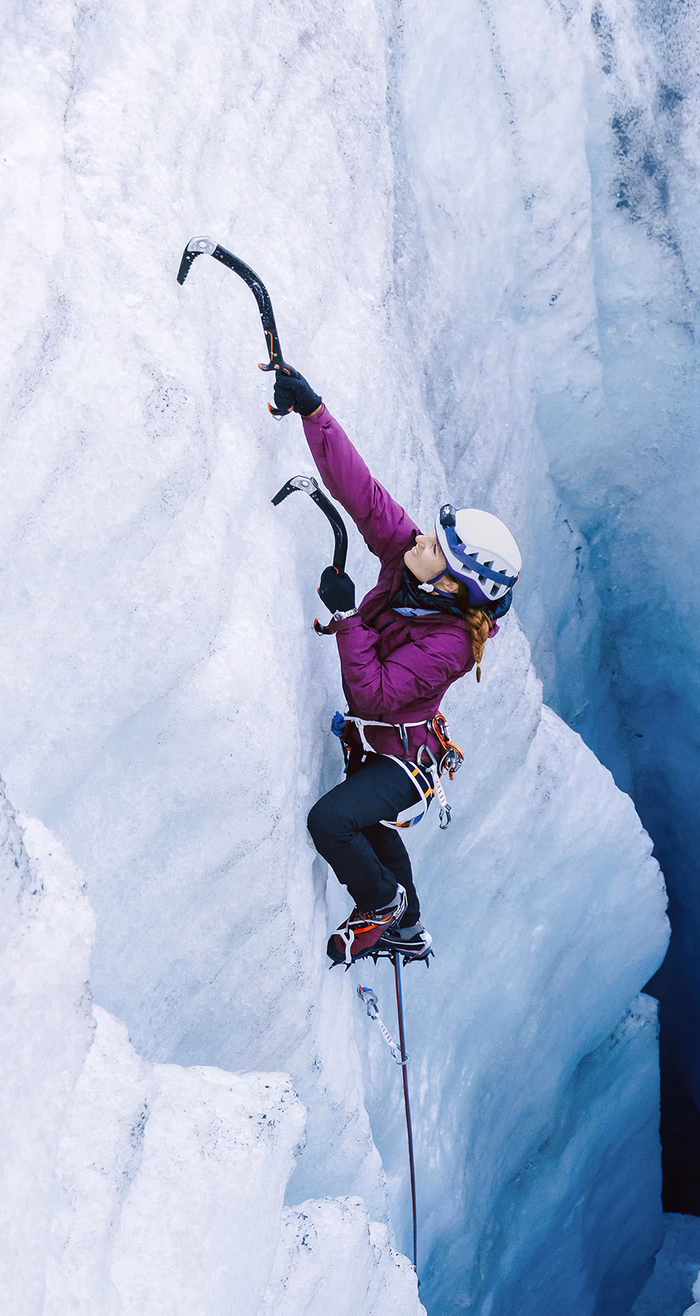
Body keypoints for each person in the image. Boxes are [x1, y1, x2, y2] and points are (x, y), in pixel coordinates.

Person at [272, 364, 522, 965]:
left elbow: (375, 697)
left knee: (333, 822)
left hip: (404, 761)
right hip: (382, 744)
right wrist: (315, 413)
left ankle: (382, 905)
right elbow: (364, 495)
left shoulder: (454, 643)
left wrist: (347, 618)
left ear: (451, 584)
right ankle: (408, 926)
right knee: (373, 829)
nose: (418, 542)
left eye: (435, 547)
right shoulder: (413, 562)